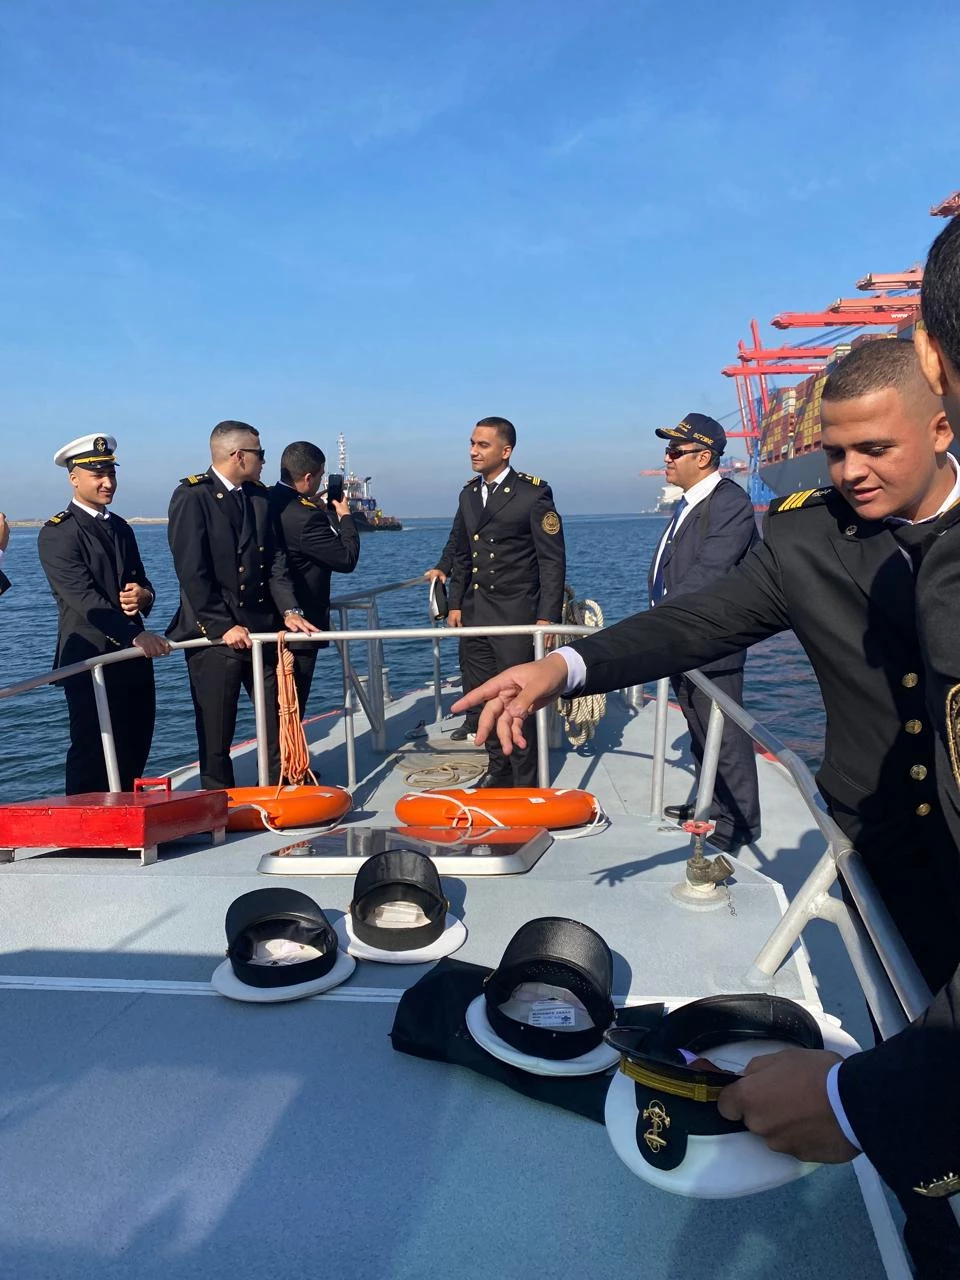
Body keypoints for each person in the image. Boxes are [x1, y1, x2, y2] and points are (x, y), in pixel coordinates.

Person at [454, 339, 960, 1276]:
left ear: (940, 429)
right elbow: (700, 619)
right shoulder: (807, 537)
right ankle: (930, 1216)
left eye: (875, 449)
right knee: (907, 1026)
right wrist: (563, 666)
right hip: (882, 843)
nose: (850, 472)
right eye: (834, 452)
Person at [166, 420, 318, 790]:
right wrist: (222, 625)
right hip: (214, 635)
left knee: (279, 714)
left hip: (259, 628)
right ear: (238, 456)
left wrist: (290, 610)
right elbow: (192, 571)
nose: (264, 461)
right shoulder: (193, 497)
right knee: (217, 728)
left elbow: (275, 563)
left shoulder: (258, 497)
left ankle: (283, 786)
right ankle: (219, 801)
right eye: (259, 454)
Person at [649, 412, 761, 852]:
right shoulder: (690, 502)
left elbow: (709, 573)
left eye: (675, 451)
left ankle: (741, 822)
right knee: (699, 728)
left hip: (713, 641)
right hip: (682, 636)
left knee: (725, 732)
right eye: (668, 449)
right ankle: (711, 803)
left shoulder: (729, 502)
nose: (667, 457)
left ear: (703, 456)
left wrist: (657, 622)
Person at [37, 433, 170, 793]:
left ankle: (125, 814)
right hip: (89, 659)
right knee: (92, 752)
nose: (107, 482)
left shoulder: (122, 528)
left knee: (136, 743)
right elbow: (83, 599)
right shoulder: (58, 534)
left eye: (111, 473)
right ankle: (82, 824)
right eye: (97, 475)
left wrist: (144, 596)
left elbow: (142, 581)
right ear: (74, 478)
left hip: (133, 658)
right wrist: (135, 635)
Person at [446, 416, 566, 787]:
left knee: (516, 701)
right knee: (484, 695)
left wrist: (547, 617)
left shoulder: (532, 494)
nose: (473, 451)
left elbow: (551, 560)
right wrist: (455, 604)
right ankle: (498, 771)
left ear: (506, 450)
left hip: (516, 615)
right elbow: (463, 554)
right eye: (472, 443)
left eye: (482, 445)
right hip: (475, 614)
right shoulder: (468, 494)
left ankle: (526, 780)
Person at [269, 440, 360, 714]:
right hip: (301, 624)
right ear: (309, 478)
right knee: (293, 705)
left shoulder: (267, 500)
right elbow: (346, 559)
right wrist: (344, 517)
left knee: (274, 706)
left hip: (270, 618)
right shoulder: (306, 516)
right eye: (320, 476)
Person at [424, 510, 478, 741]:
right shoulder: (469, 497)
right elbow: (457, 540)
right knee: (469, 660)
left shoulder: (525, 495)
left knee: (508, 661)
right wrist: (443, 567)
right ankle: (474, 719)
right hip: (472, 594)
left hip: (512, 594)